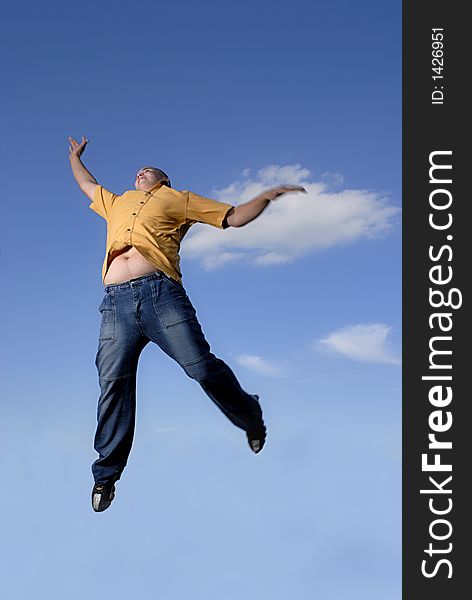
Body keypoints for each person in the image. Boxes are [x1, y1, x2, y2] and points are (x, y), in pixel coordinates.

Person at [68, 135, 307, 512]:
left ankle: (251, 416)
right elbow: (86, 183)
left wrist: (266, 196)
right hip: (115, 304)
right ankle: (105, 477)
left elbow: (232, 217)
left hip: (161, 296)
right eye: (137, 170)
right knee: (112, 383)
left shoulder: (178, 199)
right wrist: (74, 157)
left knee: (201, 368)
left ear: (163, 179)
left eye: (149, 168)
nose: (140, 170)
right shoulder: (117, 202)